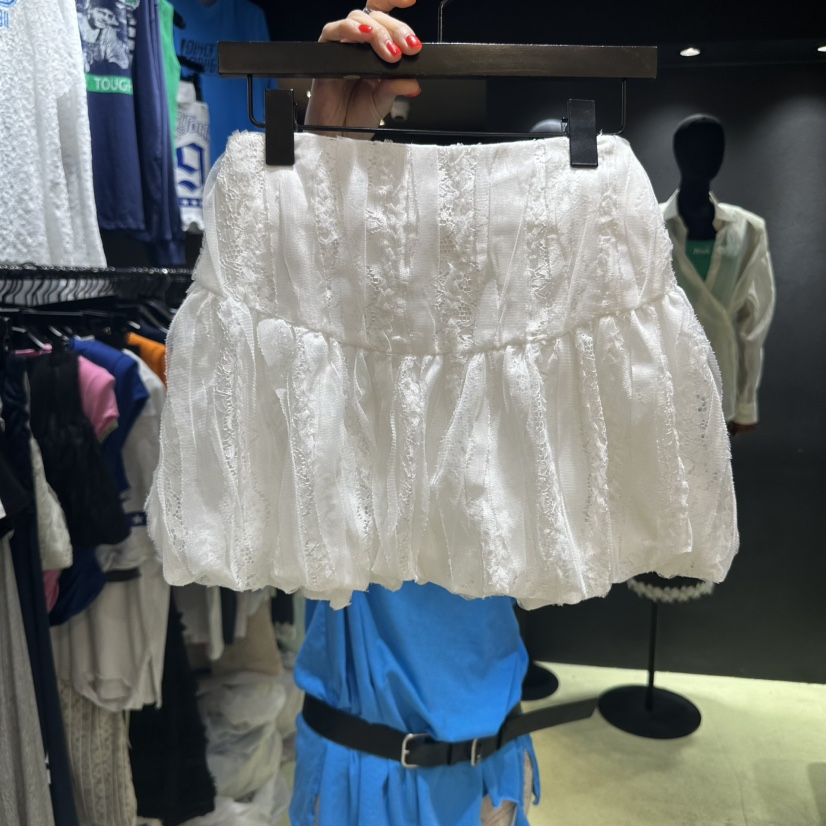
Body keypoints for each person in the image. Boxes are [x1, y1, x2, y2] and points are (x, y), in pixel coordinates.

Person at [289, 4, 537, 825]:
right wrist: (330, 145)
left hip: (491, 758)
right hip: (363, 765)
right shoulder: (339, 350)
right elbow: (302, 295)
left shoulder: (524, 354)